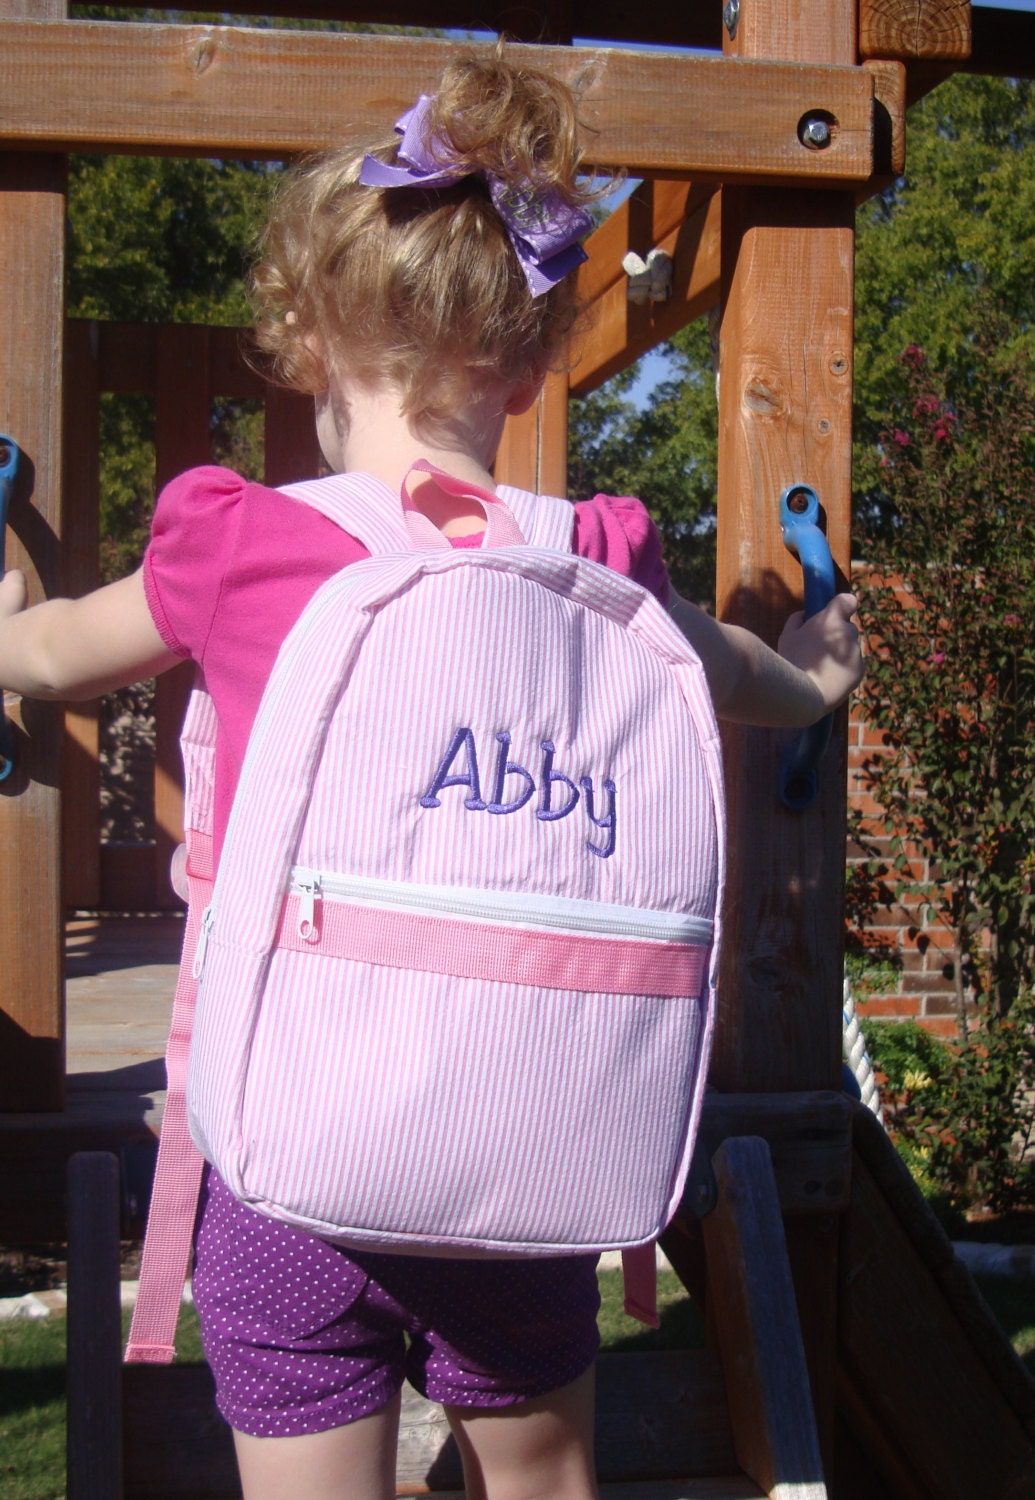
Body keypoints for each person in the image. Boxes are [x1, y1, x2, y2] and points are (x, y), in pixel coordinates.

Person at [0, 49, 862, 1500]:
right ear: (527, 366)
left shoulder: (239, 543)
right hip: (533, 1161)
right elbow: (731, 674)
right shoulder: (599, 554)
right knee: (540, 1482)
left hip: (288, 1165)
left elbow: (62, 654)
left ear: (312, 346)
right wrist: (822, 674)